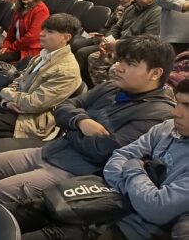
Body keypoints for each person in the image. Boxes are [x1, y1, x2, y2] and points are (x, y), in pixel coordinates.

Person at [0, 35, 176, 233]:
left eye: (130, 64)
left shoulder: (158, 114)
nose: (119, 67)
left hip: (76, 170)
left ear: (155, 73)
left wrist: (70, 128)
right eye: (120, 61)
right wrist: (81, 122)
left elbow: (102, 151)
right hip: (51, 150)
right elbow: (65, 106)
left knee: (1, 191)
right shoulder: (112, 87)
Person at [23, 78, 189, 240]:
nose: (175, 112)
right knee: (19, 211)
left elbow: (155, 208)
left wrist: (133, 166)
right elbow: (118, 157)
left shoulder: (158, 115)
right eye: (178, 102)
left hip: (125, 229)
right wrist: (139, 192)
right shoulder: (167, 127)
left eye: (187, 106)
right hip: (97, 199)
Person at [0, 14, 82, 153]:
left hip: (28, 119)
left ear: (66, 38)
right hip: (12, 107)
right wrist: (6, 101)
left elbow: (34, 103)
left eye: (49, 32)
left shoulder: (67, 70)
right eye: (43, 30)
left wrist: (5, 93)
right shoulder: (43, 55)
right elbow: (18, 81)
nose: (41, 34)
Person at [77, 0, 161, 87]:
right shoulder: (131, 8)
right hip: (120, 48)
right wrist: (106, 41)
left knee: (115, 69)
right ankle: (101, 92)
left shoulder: (158, 12)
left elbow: (147, 41)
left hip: (137, 52)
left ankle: (113, 96)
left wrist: (117, 44)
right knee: (94, 58)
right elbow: (116, 28)